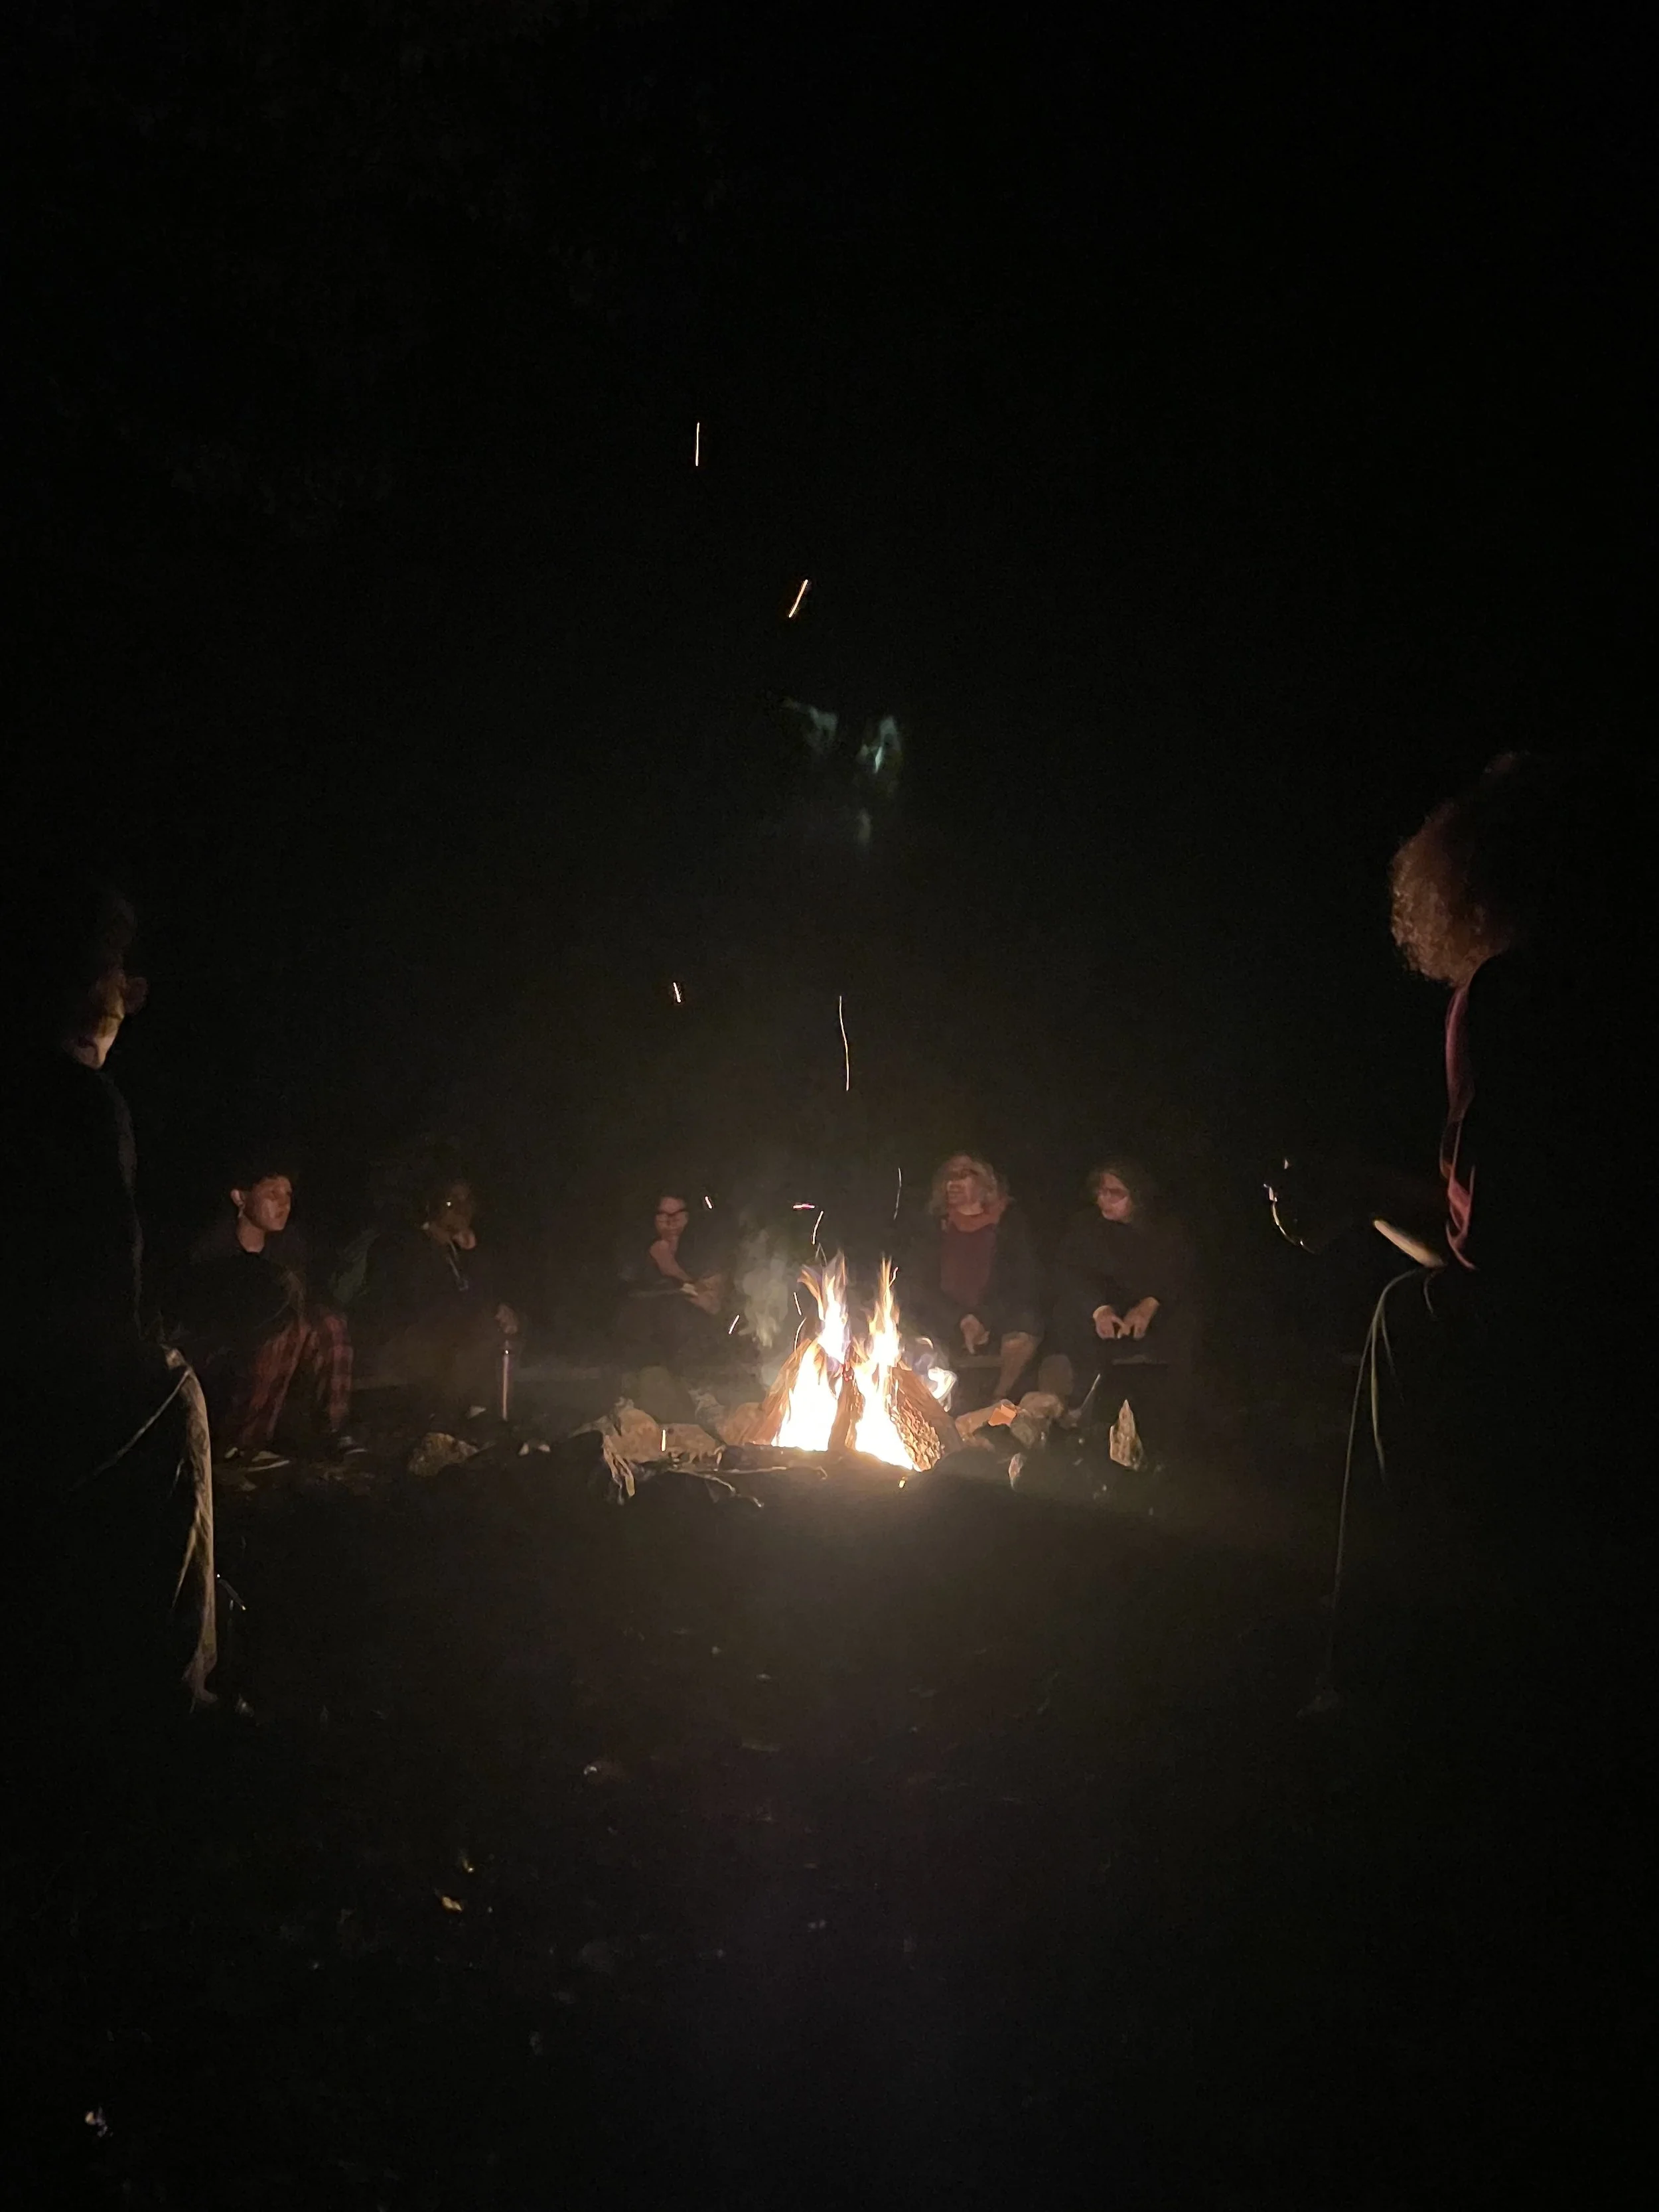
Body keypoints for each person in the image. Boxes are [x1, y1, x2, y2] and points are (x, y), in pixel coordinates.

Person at [1267, 752, 1653, 1704]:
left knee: (1412, 1322)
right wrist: (1364, 1195)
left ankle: (1374, 1668)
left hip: (1579, 1335)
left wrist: (1355, 1192)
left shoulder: (1513, 993)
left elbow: (1490, 1252)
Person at [0, 872, 216, 1714]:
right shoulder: (74, 1098)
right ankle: (170, 1691)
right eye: (113, 973)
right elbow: (101, 1270)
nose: (126, 995)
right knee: (170, 1394)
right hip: (36, 1382)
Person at [176, 1161, 354, 1465]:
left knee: (329, 1323)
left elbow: (310, 1303)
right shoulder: (214, 1250)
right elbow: (210, 1322)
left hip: (281, 1353)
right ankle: (242, 1444)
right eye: (272, 1193)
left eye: (288, 1194)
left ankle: (333, 1430)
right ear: (240, 1198)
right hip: (221, 1356)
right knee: (285, 1329)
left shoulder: (290, 1247)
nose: (284, 1203)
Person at [1040, 1157, 1197, 1443]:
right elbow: (1069, 1272)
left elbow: (1180, 1274)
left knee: (1185, 1323)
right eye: (1101, 1192)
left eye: (1116, 1193)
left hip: (1155, 1317)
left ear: (1137, 1197)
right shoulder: (1086, 1227)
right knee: (1067, 1313)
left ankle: (1170, 1421)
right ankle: (1084, 1410)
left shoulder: (1165, 1230)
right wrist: (1099, 1309)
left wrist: (1151, 1303)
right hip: (1105, 1318)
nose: (1105, 1200)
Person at [355, 1173, 520, 1421]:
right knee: (482, 1329)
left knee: (509, 1325)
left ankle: (486, 1412)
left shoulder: (460, 1249)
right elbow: (424, 1306)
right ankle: (449, 1415)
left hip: (449, 1338)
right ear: (432, 1206)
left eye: (468, 1203)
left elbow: (482, 1291)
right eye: (452, 1203)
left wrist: (473, 1256)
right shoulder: (408, 1246)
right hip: (405, 1342)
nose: (462, 1210)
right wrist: (483, 1312)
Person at [899, 1154, 1042, 1404]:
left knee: (1025, 1328)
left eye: (963, 1175)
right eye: (948, 1177)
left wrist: (984, 1317)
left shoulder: (1010, 1222)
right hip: (946, 1317)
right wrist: (961, 1318)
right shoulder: (933, 1226)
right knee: (908, 1328)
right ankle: (929, 1407)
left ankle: (1000, 1402)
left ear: (984, 1182)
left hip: (996, 1317)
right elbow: (917, 1283)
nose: (952, 1183)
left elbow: (1024, 1280)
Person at [616, 1193, 732, 1370]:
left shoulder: (702, 1251)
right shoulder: (638, 1255)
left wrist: (671, 1269)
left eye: (677, 1215)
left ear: (687, 1217)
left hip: (697, 1356)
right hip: (645, 1358)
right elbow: (625, 1302)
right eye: (664, 1216)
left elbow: (713, 1306)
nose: (671, 1222)